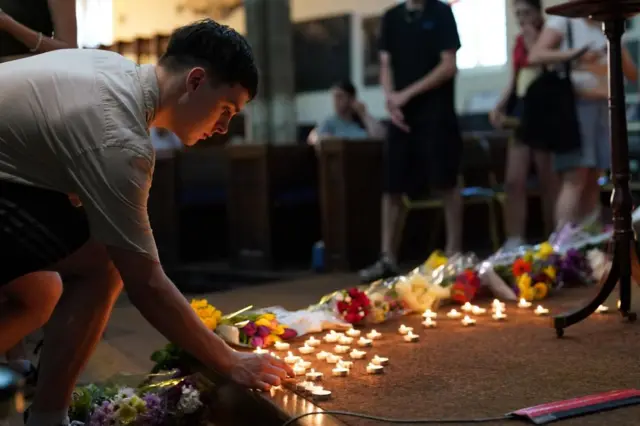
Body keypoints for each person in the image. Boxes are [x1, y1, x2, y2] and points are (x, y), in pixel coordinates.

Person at [0, 19, 293, 426]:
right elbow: (148, 285)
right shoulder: (121, 140)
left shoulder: (114, 68)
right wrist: (230, 361)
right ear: (194, 81)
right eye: (226, 109)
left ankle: (47, 416)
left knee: (39, 294)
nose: (225, 127)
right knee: (106, 260)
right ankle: (49, 419)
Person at [0, 0, 78, 390]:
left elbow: (70, 56)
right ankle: (14, 361)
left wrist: (9, 25)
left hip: (28, 116)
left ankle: (19, 362)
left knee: (33, 272)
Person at [359, 0, 463, 282]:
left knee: (446, 182)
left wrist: (407, 94)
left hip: (436, 113)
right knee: (391, 186)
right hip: (400, 116)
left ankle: (454, 254)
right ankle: (387, 258)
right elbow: (385, 63)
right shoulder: (391, 17)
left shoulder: (441, 12)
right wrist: (391, 99)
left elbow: (448, 65)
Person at [528, 14, 637, 249]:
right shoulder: (563, 22)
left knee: (593, 176)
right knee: (575, 177)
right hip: (574, 108)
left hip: (603, 105)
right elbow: (536, 55)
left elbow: (631, 73)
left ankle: (589, 244)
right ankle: (561, 244)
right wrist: (577, 55)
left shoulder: (608, 24)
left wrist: (614, 47)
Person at [489, 0, 558, 251]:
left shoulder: (550, 35)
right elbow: (514, 78)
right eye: (517, 13)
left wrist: (533, 43)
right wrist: (499, 105)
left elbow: (551, 70)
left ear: (537, 12)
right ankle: (514, 238)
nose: (521, 18)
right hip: (521, 109)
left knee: (547, 179)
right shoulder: (518, 40)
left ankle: (553, 236)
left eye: (525, 12)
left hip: (544, 107)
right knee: (513, 179)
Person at [307, 80, 386, 146]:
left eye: (340, 96)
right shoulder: (329, 122)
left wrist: (364, 114)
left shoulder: (362, 120)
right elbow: (313, 138)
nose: (336, 101)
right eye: (334, 97)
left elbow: (381, 136)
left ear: (351, 99)